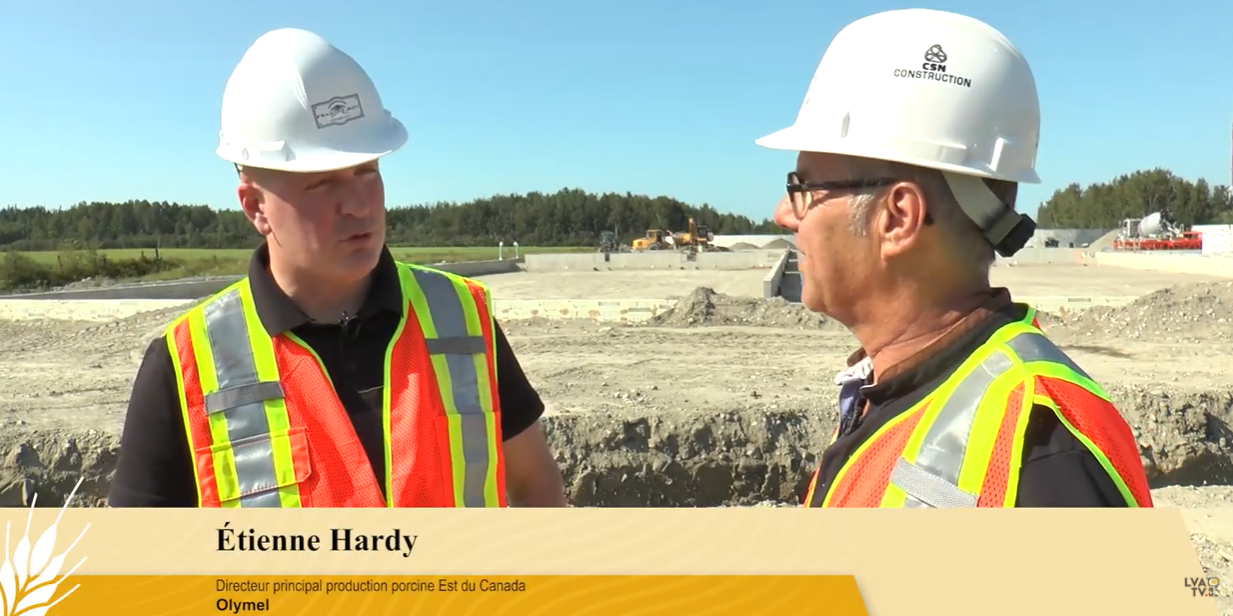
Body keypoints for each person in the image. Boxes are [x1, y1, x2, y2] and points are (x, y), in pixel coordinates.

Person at [108, 28, 568, 508]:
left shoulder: (460, 319)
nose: (358, 205)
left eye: (367, 171)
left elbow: (536, 487)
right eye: (322, 183)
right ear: (254, 206)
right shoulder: (186, 366)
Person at [754, 9, 1153, 508]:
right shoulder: (894, 389)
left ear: (897, 217)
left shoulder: (1044, 449)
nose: (782, 214)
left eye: (803, 188)